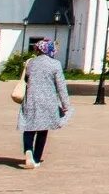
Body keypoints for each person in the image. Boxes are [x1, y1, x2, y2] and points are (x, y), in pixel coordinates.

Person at [16, 39, 72, 169]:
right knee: (42, 130)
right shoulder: (55, 64)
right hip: (48, 101)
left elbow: (26, 79)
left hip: (31, 99)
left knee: (29, 127)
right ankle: (36, 158)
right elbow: (61, 86)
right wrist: (65, 104)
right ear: (50, 50)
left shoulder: (30, 63)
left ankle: (28, 150)